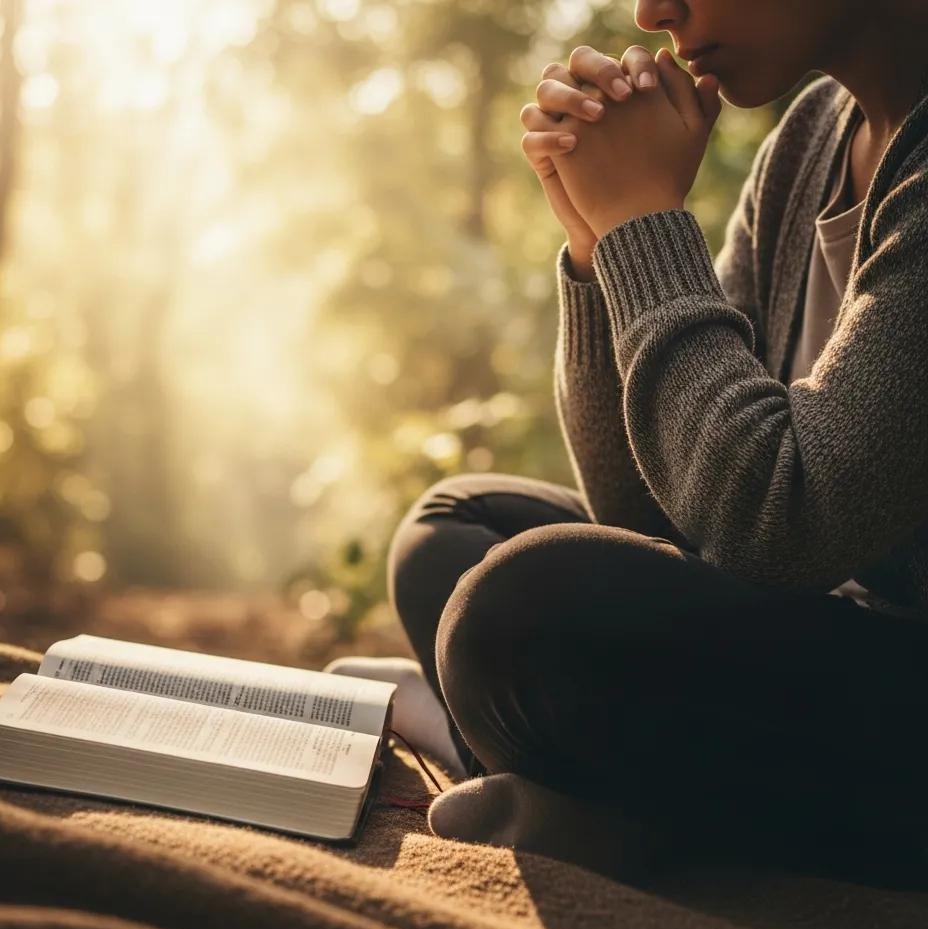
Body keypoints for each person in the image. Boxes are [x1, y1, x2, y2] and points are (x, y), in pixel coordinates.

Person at [327, 0, 928, 873]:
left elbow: (784, 517)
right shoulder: (809, 142)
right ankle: (573, 784)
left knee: (524, 609)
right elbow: (657, 511)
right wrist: (598, 244)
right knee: (455, 528)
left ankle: (578, 790)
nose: (653, 11)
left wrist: (645, 227)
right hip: (822, 640)